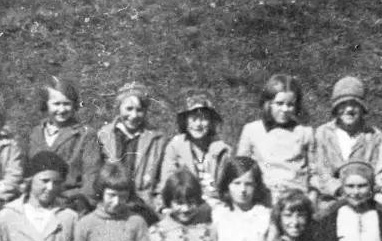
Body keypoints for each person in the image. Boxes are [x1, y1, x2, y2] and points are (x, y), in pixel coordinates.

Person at [24, 76, 103, 213]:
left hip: (69, 202)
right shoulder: (36, 133)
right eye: (56, 104)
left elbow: (92, 174)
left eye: (66, 104)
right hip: (37, 201)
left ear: (74, 105)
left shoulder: (85, 134)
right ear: (46, 104)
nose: (61, 109)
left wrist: (84, 203)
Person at [237, 74, 315, 202]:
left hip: (297, 197)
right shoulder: (252, 130)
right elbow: (241, 169)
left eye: (290, 104)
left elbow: (313, 172)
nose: (285, 109)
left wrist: (312, 197)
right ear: (269, 103)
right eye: (279, 103)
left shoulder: (305, 133)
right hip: (265, 196)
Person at [310, 77, 382, 211]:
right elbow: (320, 172)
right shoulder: (323, 134)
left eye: (354, 104)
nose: (349, 109)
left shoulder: (374, 136)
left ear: (362, 108)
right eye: (343, 104)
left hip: (365, 199)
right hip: (330, 200)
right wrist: (339, 189)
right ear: (336, 108)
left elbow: (378, 173)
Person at [96, 82, 166, 223]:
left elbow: (163, 179)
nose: (134, 115)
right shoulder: (104, 136)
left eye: (139, 110)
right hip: (111, 201)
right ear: (119, 108)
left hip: (144, 204)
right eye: (128, 109)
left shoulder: (157, 140)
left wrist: (159, 205)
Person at [158, 95, 232, 204]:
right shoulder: (175, 147)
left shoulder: (222, 150)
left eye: (204, 118)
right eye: (193, 118)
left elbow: (227, 186)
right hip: (184, 202)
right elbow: (166, 181)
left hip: (215, 203)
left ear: (211, 122)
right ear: (186, 122)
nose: (198, 124)